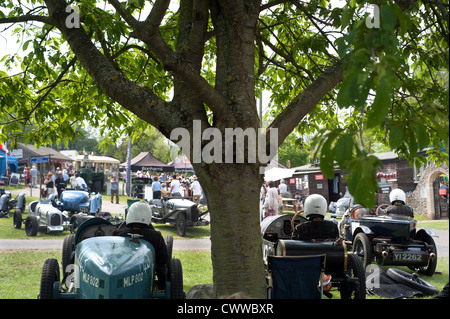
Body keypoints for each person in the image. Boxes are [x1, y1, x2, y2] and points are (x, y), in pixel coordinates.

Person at [113, 201, 169, 290]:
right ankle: (162, 287)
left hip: (122, 272)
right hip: (147, 270)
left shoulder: (117, 234)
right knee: (161, 266)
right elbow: (163, 259)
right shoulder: (156, 236)